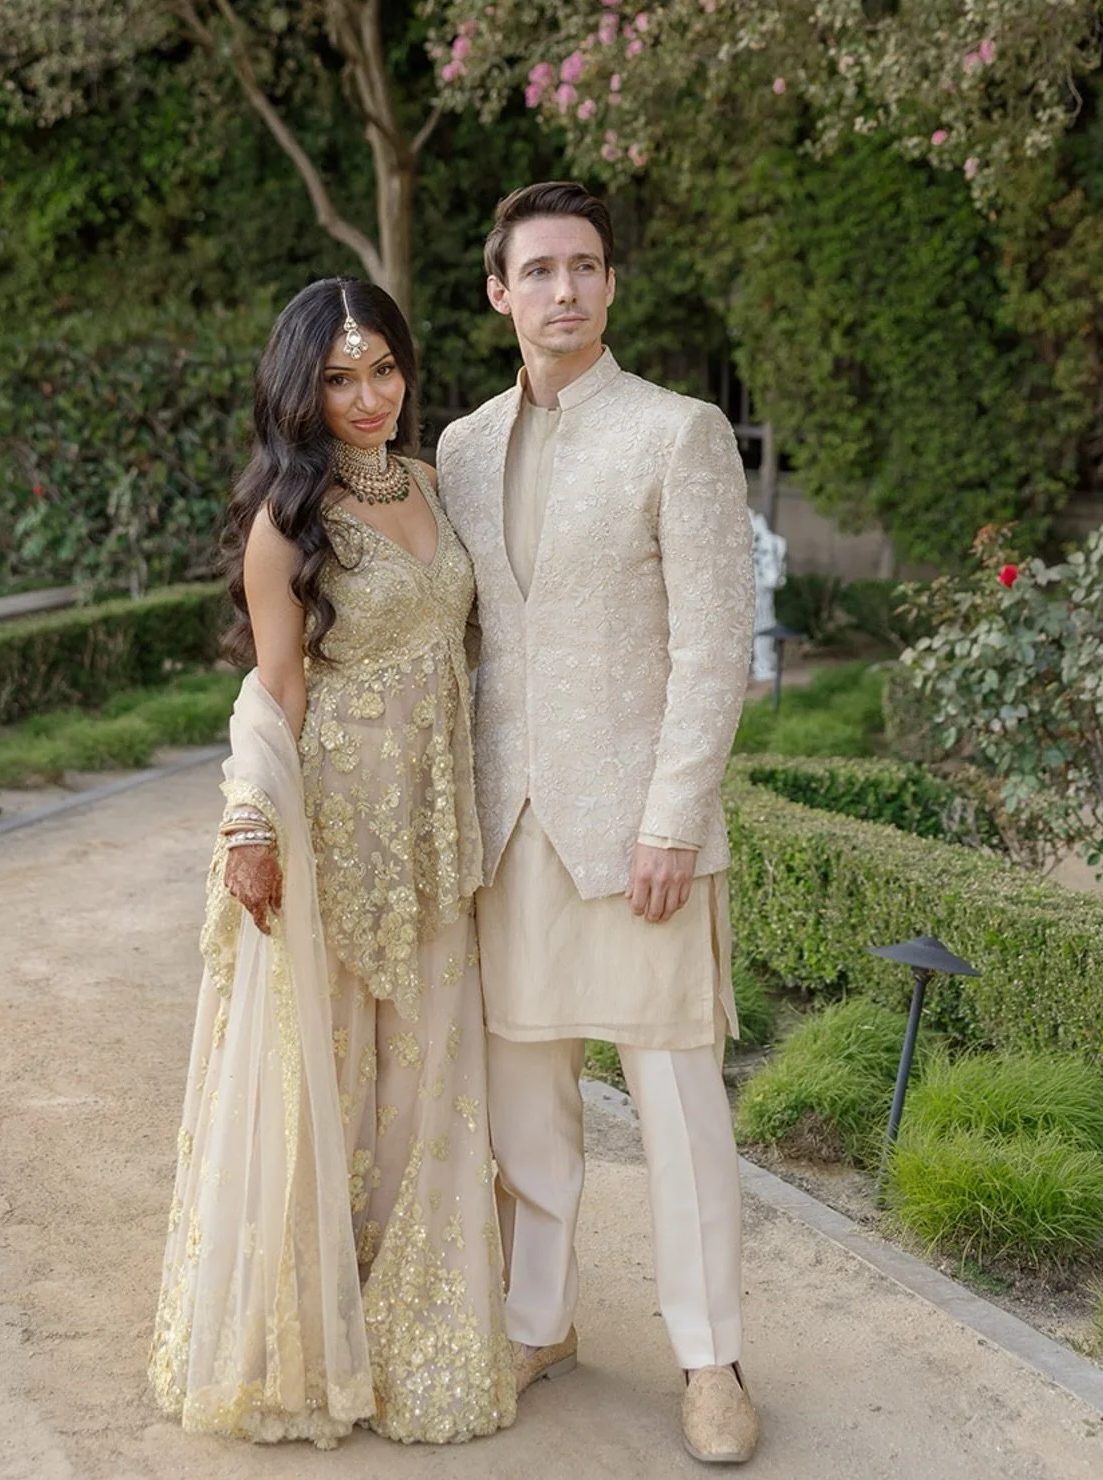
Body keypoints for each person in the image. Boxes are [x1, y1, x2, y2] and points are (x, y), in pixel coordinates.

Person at [149, 277, 515, 1448]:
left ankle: (415, 1332)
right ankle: (317, 1334)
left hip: (435, 818)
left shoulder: (439, 488)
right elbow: (277, 688)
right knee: (334, 1079)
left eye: (385, 371)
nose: (369, 398)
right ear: (301, 390)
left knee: (432, 1075)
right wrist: (252, 822)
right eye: (342, 378)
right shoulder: (286, 523)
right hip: (342, 824)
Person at [436, 183, 759, 1465]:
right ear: (498, 290)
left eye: (586, 268)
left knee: (679, 1102)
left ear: (611, 287)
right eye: (540, 271)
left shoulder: (678, 434)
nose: (564, 291)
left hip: (640, 837)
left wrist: (675, 815)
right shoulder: (455, 448)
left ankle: (711, 1355)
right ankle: (540, 1320)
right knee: (524, 1100)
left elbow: (713, 643)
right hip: (504, 825)